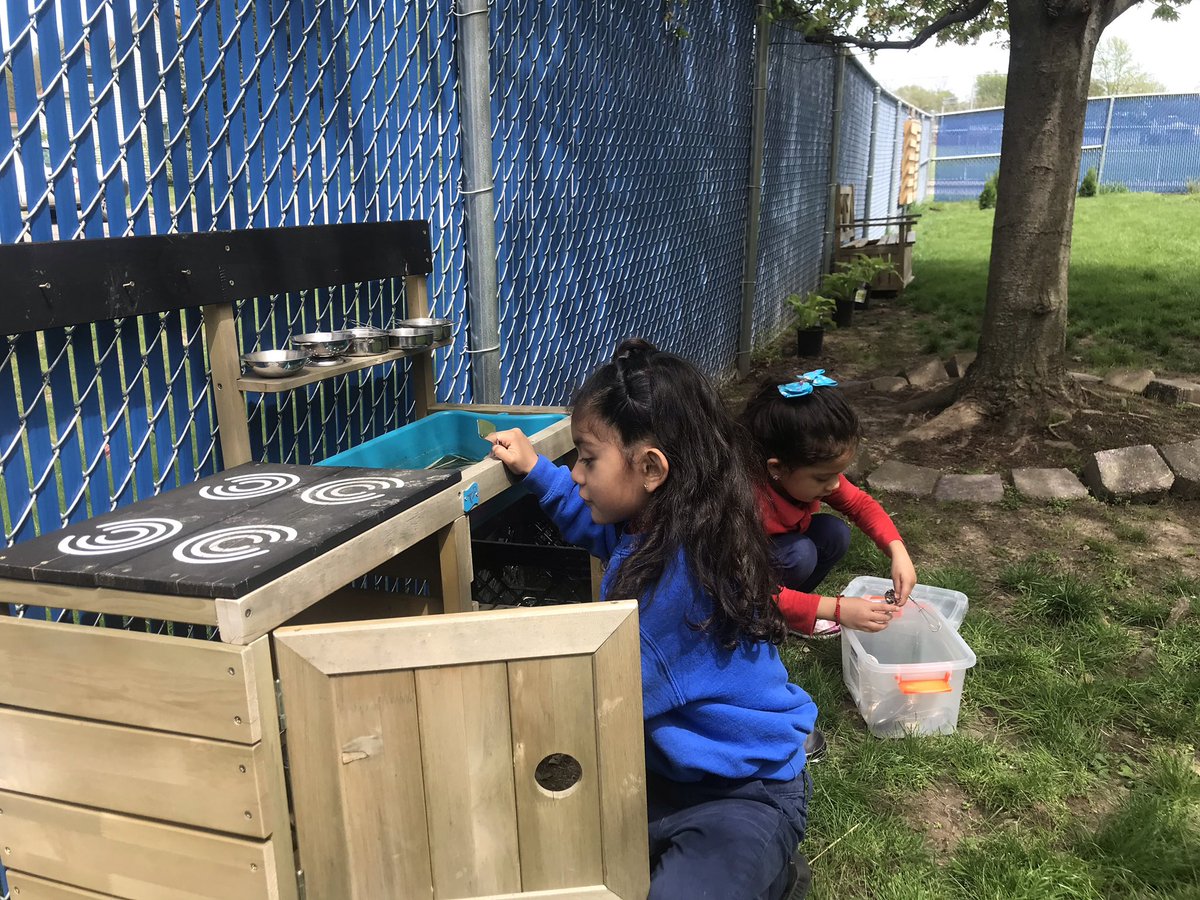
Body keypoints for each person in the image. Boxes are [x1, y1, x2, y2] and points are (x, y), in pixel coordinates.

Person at [487, 338, 815, 900]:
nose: (578, 472)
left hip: (744, 794)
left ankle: (773, 870)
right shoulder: (658, 525)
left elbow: (595, 692)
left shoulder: (675, 586)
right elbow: (592, 523)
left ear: (650, 468)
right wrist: (537, 470)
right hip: (665, 781)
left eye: (587, 458)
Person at [740, 370, 917, 638]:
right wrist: (835, 609)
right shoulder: (741, 500)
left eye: (838, 474)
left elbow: (861, 505)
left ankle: (790, 613)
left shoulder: (801, 476)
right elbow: (742, 583)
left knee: (834, 533)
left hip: (769, 557)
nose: (835, 485)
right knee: (800, 553)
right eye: (823, 477)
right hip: (740, 581)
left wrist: (898, 551)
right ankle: (753, 616)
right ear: (776, 468)